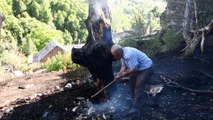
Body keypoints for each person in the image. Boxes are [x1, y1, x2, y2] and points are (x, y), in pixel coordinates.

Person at [111, 44, 154, 113]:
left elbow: (134, 69)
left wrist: (122, 75)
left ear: (119, 52)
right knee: (131, 84)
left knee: (138, 86)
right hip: (138, 69)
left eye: (115, 55)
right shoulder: (122, 54)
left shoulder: (129, 54)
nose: (114, 57)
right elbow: (124, 67)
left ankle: (136, 107)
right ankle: (135, 99)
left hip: (146, 68)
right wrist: (118, 75)